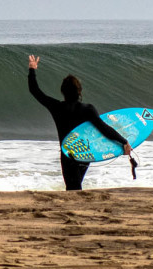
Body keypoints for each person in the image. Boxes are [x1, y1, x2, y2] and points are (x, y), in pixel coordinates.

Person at [28, 54, 131, 191]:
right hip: (84, 154)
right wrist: (123, 141)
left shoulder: (57, 107)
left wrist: (32, 70)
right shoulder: (87, 109)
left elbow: (35, 91)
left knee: (72, 186)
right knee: (75, 185)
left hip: (68, 153)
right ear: (79, 91)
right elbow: (104, 129)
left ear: (63, 91)